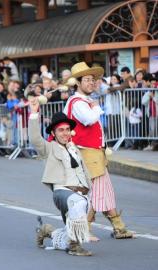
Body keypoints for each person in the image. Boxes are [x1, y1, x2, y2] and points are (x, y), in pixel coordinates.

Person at [63, 62, 133, 241]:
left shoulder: (81, 101)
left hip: (93, 152)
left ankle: (118, 227)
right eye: (87, 80)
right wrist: (95, 106)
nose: (91, 83)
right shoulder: (78, 102)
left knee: (103, 190)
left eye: (93, 80)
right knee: (97, 192)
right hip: (87, 152)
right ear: (77, 83)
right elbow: (88, 119)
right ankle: (85, 228)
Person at [29, 100, 92, 256]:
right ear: (53, 133)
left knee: (69, 234)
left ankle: (48, 231)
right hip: (62, 191)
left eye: (67, 129)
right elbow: (35, 139)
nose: (65, 133)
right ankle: (75, 248)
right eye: (60, 130)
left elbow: (84, 172)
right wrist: (34, 113)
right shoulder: (49, 148)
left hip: (80, 193)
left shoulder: (74, 149)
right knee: (78, 202)